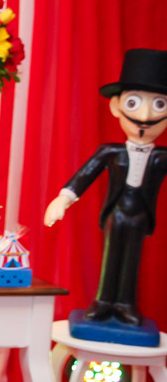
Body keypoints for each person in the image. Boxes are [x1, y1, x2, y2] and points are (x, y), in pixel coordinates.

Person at [44, 48, 167, 329]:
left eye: (159, 105)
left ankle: (125, 304)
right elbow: (85, 175)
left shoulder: (161, 157)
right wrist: (63, 198)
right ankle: (104, 301)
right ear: (116, 107)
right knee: (111, 257)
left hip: (140, 216)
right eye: (134, 103)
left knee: (132, 260)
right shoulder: (110, 152)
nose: (146, 115)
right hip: (116, 212)